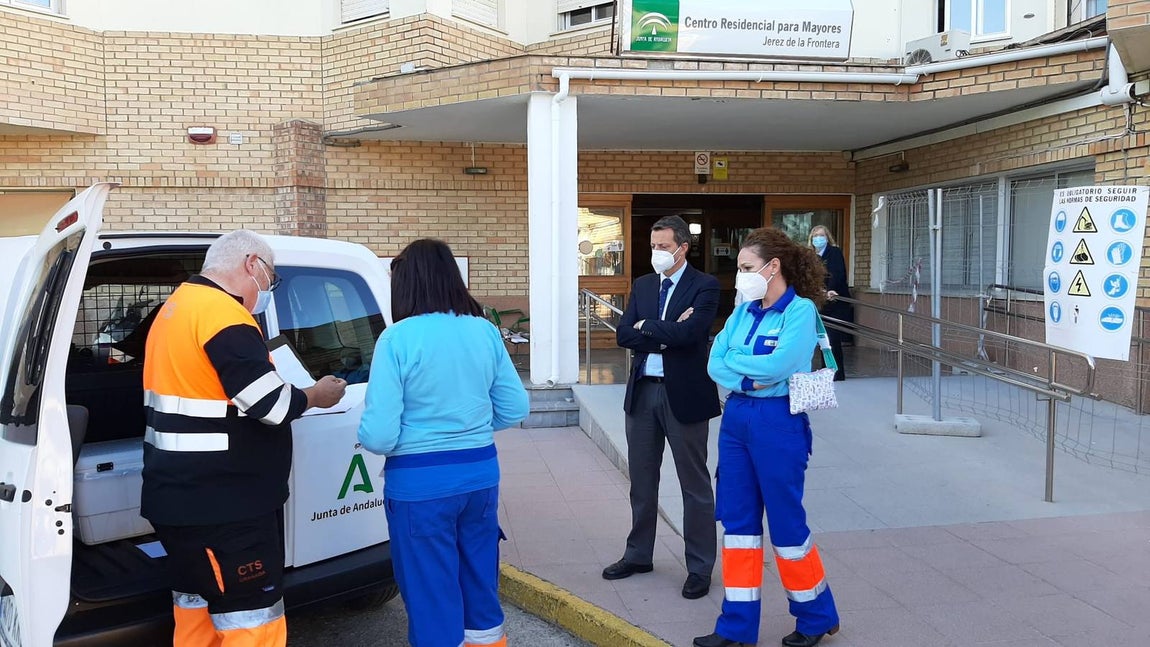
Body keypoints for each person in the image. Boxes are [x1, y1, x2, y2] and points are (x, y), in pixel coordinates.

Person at [142, 229, 347, 647]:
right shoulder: (225, 316)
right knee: (252, 619)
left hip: (180, 499)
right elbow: (270, 406)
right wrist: (316, 395)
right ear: (252, 263)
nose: (268, 289)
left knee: (196, 611)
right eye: (270, 279)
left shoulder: (176, 307)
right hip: (226, 508)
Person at [357, 239, 529, 647]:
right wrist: (470, 427)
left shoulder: (397, 339)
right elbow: (515, 406)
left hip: (419, 487)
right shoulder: (484, 330)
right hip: (479, 477)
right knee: (479, 585)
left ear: (406, 285)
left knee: (432, 595)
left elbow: (379, 434)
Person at [694, 227, 840, 647]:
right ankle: (736, 629)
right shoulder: (743, 310)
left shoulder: (801, 312)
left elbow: (779, 366)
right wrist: (746, 372)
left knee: (787, 525)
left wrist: (738, 366)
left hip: (778, 421)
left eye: (746, 268)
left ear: (772, 267)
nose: (740, 277)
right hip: (738, 419)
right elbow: (714, 362)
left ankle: (816, 616)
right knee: (738, 525)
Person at [604, 215, 721, 600]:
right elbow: (623, 334)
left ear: (683, 247)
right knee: (641, 481)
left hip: (684, 395)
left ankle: (700, 567)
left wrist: (648, 327)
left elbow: (693, 335)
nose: (656, 253)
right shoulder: (642, 283)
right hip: (643, 394)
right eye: (652, 246)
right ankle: (638, 555)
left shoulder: (705, 285)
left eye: (663, 246)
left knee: (695, 485)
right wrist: (663, 331)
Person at [808, 225, 850, 381]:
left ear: (827, 237)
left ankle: (836, 372)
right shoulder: (812, 256)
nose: (818, 238)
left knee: (832, 338)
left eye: (821, 235)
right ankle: (827, 370)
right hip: (818, 300)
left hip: (834, 300)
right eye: (815, 236)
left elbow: (837, 273)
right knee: (821, 337)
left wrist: (829, 290)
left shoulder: (834, 252)